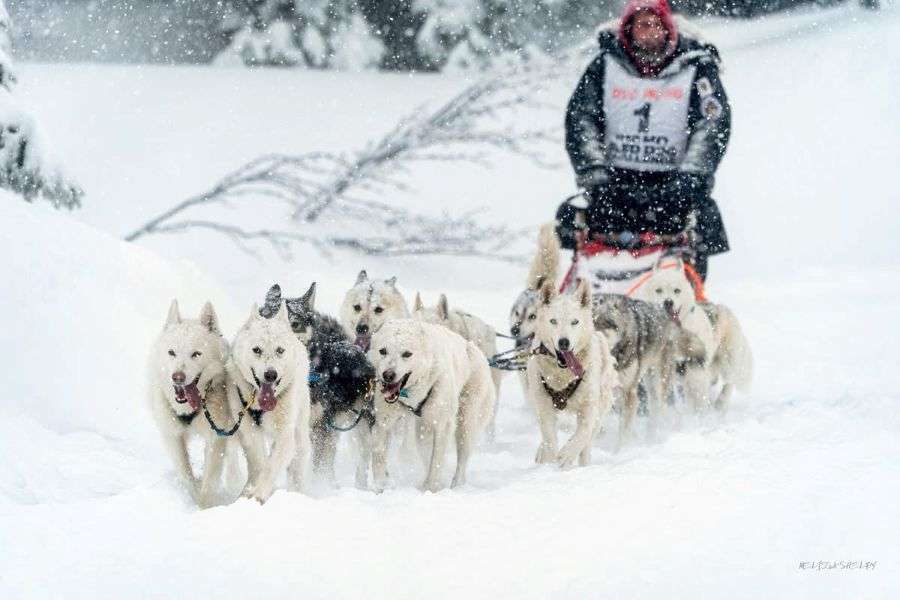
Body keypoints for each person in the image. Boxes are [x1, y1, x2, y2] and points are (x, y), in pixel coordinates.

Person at [560, 0, 731, 280]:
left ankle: (689, 297)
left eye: (655, 23)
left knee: (702, 220)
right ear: (628, 30)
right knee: (571, 215)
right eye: (641, 24)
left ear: (668, 28)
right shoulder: (604, 66)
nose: (649, 30)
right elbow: (581, 119)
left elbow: (711, 124)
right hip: (615, 182)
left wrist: (692, 176)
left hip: (674, 183)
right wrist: (594, 172)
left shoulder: (697, 67)